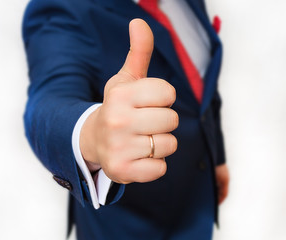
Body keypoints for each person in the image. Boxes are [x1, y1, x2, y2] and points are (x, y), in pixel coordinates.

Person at [22, 0, 229, 239]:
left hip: (197, 205)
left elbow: (203, 90)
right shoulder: (63, 7)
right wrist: (93, 135)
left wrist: (216, 159)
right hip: (131, 226)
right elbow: (47, 104)